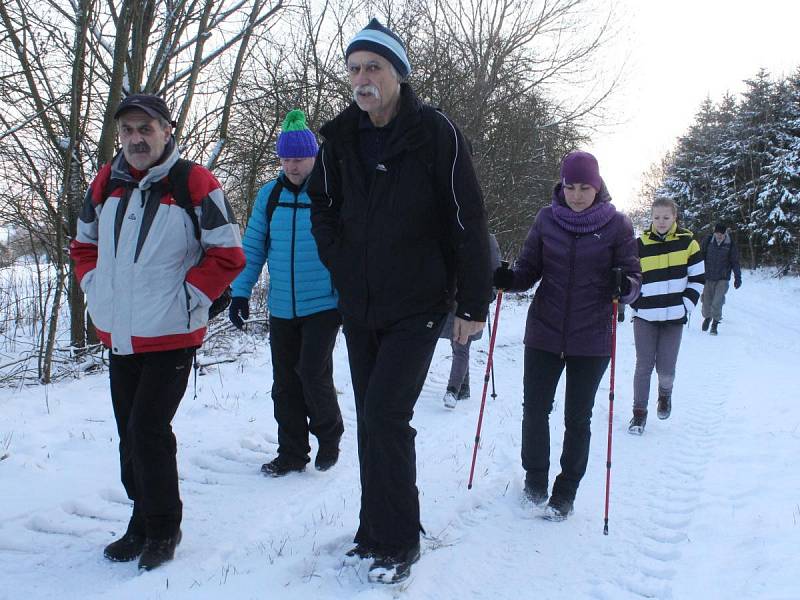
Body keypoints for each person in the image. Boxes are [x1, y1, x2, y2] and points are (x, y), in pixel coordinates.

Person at [307, 18, 491, 584]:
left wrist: (471, 304)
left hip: (419, 303)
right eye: (355, 68)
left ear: (398, 74)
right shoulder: (338, 138)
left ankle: (401, 539)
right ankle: (372, 530)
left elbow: (469, 220)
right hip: (359, 305)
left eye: (374, 68)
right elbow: (323, 209)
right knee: (371, 418)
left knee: (388, 414)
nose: (363, 79)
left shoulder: (435, 132)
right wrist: (340, 262)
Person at [70, 93, 245, 570]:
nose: (135, 138)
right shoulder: (106, 182)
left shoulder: (194, 183)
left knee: (148, 428)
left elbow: (227, 253)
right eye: (127, 130)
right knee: (129, 432)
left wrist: (190, 298)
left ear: (167, 131)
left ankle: (164, 526)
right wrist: (94, 287)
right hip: (119, 331)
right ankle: (140, 519)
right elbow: (83, 244)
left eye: (145, 129)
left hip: (171, 333)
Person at [492, 151, 641, 521]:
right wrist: (509, 279)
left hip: (591, 338)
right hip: (544, 330)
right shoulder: (547, 219)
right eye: (570, 186)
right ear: (561, 185)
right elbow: (529, 268)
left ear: (597, 186)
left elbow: (634, 280)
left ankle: (565, 492)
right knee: (535, 410)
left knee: (578, 417)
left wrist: (624, 285)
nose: (576, 194)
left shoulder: (618, 225)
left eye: (584, 187)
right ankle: (535, 481)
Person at [229, 110, 343, 477]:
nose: (293, 166)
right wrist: (240, 292)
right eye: (286, 159)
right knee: (285, 383)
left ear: (314, 157)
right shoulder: (271, 194)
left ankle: (329, 434)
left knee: (312, 372)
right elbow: (254, 245)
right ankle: (292, 453)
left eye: (299, 159)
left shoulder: (329, 191)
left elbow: (349, 245)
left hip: (324, 304)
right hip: (282, 307)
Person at [627, 198, 704, 435]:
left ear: (675, 218)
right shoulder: (639, 245)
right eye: (656, 217)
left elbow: (698, 278)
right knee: (644, 365)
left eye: (666, 217)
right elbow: (631, 278)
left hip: (674, 317)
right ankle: (639, 414)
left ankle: (665, 395)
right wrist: (634, 301)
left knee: (666, 367)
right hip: (645, 317)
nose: (661, 222)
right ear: (651, 218)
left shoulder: (688, 244)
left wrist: (685, 307)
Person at [441, 233, 501, 409]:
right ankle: (463, 386)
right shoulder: (451, 235)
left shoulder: (487, 240)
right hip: (450, 299)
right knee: (457, 343)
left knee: (461, 344)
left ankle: (452, 389)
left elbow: (495, 271)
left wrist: (489, 295)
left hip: (471, 301)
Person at [700, 222, 742, 335]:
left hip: (722, 278)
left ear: (725, 234)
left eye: (721, 234)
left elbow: (735, 261)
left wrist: (738, 277)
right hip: (708, 276)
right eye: (717, 233)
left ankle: (715, 323)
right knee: (706, 301)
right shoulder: (708, 241)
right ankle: (707, 317)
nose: (719, 236)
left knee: (717, 301)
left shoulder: (730, 244)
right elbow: (700, 257)